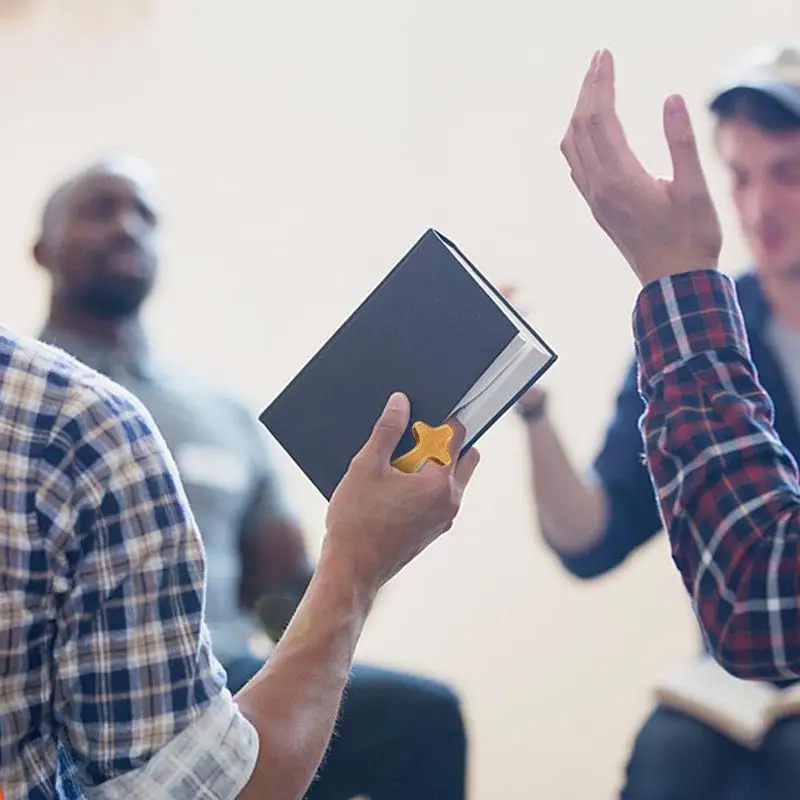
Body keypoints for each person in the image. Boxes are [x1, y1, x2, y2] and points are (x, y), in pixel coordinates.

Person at [29, 155, 471, 800]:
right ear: (41, 248)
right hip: (75, 684)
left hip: (217, 673)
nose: (127, 227)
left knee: (422, 717)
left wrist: (369, 538)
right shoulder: (21, 404)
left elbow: (280, 605)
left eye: (144, 215)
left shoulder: (221, 414)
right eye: (99, 208)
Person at [517, 40, 800, 800]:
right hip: (736, 689)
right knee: (668, 759)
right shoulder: (710, 323)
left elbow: (757, 596)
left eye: (789, 174)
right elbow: (592, 538)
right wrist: (531, 410)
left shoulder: (693, 319)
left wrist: (673, 276)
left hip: (772, 650)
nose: (759, 206)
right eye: (739, 176)